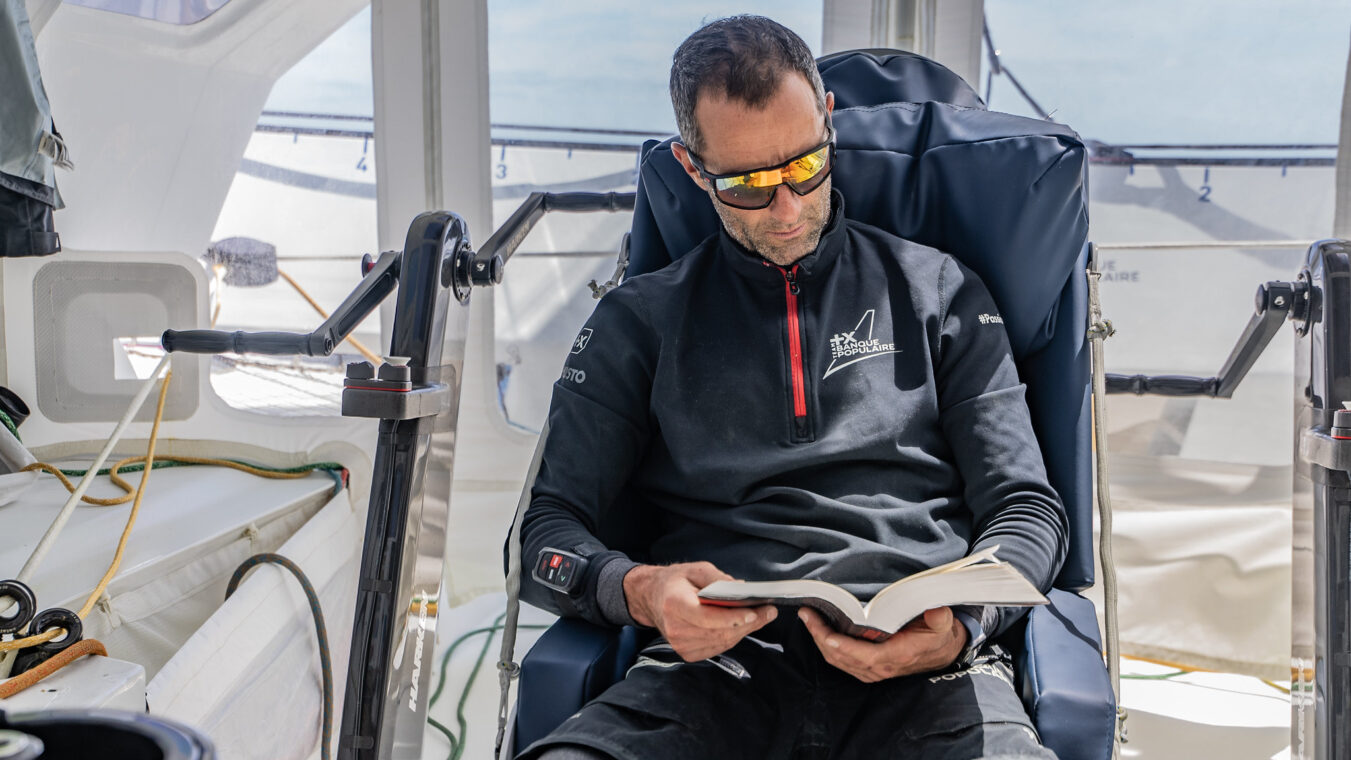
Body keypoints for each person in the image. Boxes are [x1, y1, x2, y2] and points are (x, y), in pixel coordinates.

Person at [516, 15, 1068, 760]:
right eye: (746, 183)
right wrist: (640, 589)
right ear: (692, 168)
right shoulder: (638, 321)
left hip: (927, 676)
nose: (786, 208)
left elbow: (1028, 509)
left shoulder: (941, 291)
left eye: (806, 165)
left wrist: (965, 626)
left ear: (828, 119)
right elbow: (545, 534)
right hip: (713, 675)